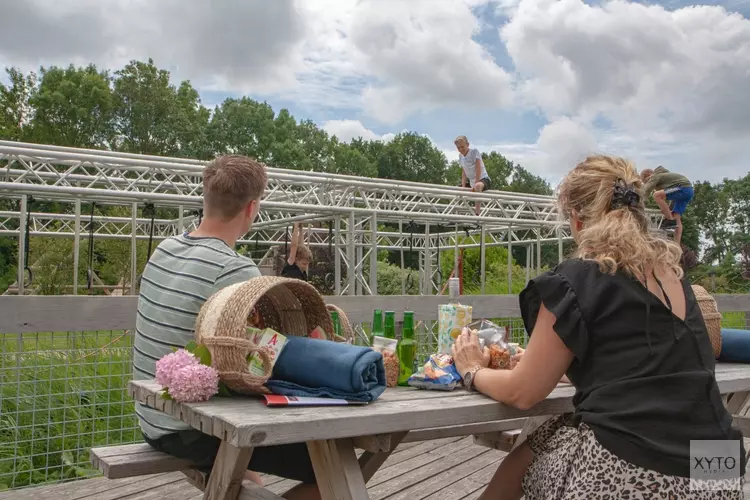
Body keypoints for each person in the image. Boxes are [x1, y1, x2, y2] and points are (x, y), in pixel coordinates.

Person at [453, 155, 745, 499]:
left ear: (577, 221)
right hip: (719, 468)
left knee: (535, 448)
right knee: (556, 431)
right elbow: (639, 358)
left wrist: (472, 369)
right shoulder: (675, 279)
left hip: (639, 471)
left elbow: (523, 392)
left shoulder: (576, 280)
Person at [133, 155, 321, 500]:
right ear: (252, 209)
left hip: (152, 418)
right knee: (326, 465)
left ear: (205, 198)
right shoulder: (234, 270)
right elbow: (260, 362)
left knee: (246, 483)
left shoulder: (164, 249)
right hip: (193, 428)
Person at [641, 165, 694, 245]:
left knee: (656, 195)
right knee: (676, 217)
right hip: (688, 190)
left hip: (682, 188)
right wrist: (667, 211)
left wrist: (639, 202)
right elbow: (669, 199)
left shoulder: (655, 176)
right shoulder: (666, 179)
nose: (647, 183)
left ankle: (670, 220)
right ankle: (677, 245)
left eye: (645, 182)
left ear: (648, 175)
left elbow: (646, 190)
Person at [455, 135, 491, 215]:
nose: (461, 149)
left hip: (483, 179)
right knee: (457, 189)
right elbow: (464, 173)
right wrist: (463, 187)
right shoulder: (460, 156)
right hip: (471, 182)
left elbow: (478, 168)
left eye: (462, 147)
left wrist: (476, 183)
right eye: (458, 148)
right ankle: (456, 214)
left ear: (468, 145)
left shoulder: (474, 152)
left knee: (477, 186)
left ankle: (477, 214)